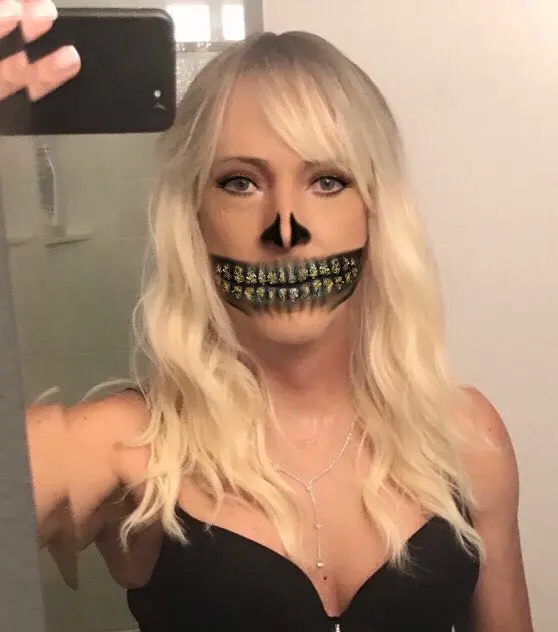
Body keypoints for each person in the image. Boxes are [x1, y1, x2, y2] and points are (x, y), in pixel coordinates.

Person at [1, 1, 533, 631]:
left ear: (376, 212)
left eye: (327, 181)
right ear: (193, 216)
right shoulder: (124, 448)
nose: (285, 229)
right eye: (240, 183)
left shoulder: (467, 439)